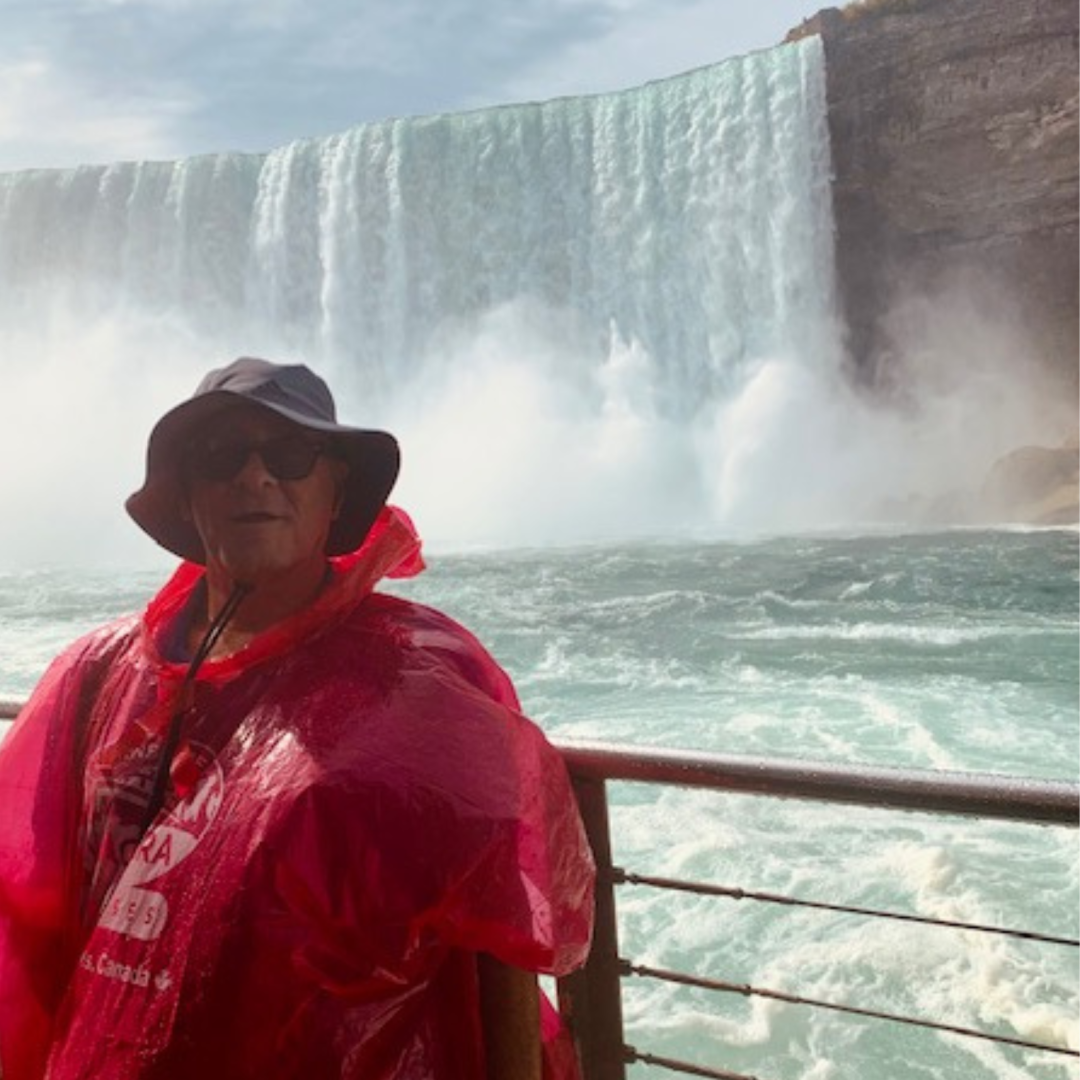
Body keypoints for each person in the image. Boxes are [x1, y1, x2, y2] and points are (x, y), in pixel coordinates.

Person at [0, 357, 595, 1080]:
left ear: (335, 490)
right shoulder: (101, 674)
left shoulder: (426, 681)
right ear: (188, 493)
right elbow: (26, 910)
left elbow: (503, 939)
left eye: (288, 453)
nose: (255, 477)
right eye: (221, 455)